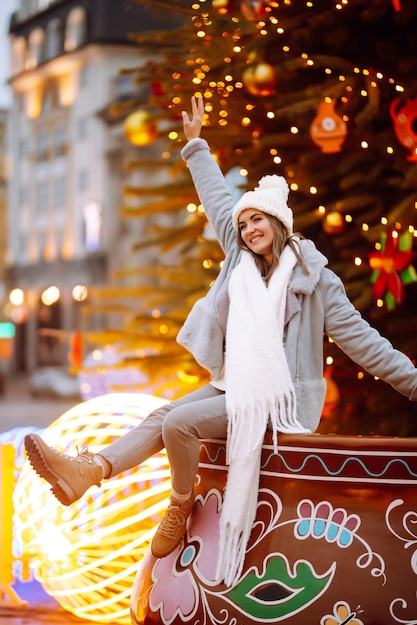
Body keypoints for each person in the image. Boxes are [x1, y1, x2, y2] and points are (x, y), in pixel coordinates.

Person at [24, 96, 417, 587]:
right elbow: (217, 202)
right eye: (245, 222)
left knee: (182, 424)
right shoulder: (240, 261)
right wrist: (195, 145)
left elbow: (364, 342)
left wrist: (414, 384)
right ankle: (89, 470)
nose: (249, 228)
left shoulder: (316, 281)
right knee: (162, 415)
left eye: (258, 220)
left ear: (279, 223)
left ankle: (180, 503)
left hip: (279, 400)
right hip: (235, 384)